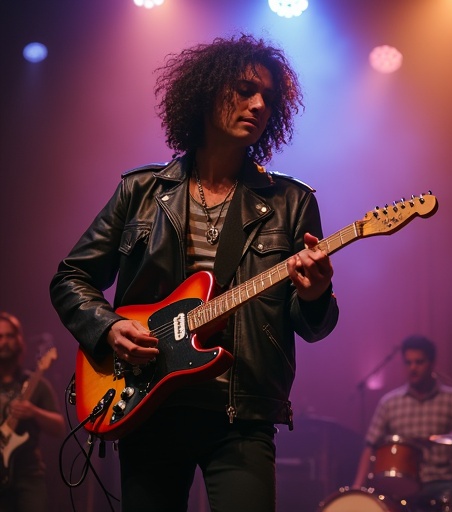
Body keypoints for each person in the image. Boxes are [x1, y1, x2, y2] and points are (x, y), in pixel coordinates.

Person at [49, 34, 339, 512]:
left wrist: (315, 294)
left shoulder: (292, 203)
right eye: (245, 89)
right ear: (206, 93)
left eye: (269, 96)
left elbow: (312, 326)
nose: (260, 103)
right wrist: (110, 328)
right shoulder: (140, 190)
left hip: (241, 414)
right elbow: (70, 277)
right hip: (149, 404)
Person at [352, 334, 452, 511]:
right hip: (401, 486)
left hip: (444, 483)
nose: (413, 368)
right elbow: (370, 445)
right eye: (408, 363)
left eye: (419, 362)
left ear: (432, 364)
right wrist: (357, 486)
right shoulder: (389, 402)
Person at [0, 312, 65, 512]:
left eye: (10, 336)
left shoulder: (37, 385)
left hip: (29, 475)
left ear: (19, 340)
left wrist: (34, 412)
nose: (4, 342)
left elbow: (59, 427)